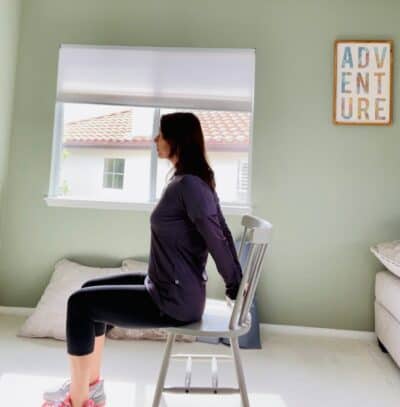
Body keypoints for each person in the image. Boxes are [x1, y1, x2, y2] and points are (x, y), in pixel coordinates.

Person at [42, 112, 243, 407]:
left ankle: (78, 398)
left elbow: (217, 237)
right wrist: (236, 281)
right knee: (86, 291)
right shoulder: (193, 183)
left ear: (177, 141)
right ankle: (90, 386)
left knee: (80, 305)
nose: (155, 140)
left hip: (173, 300)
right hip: (167, 287)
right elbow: (222, 230)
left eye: (160, 134)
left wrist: (235, 284)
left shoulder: (189, 186)